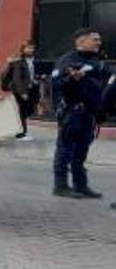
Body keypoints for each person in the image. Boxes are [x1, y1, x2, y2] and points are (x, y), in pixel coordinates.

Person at [50, 28, 110, 199]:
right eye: (95, 39)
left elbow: (105, 85)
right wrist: (70, 79)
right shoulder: (66, 61)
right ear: (81, 41)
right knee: (65, 149)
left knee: (82, 151)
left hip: (90, 113)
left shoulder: (98, 62)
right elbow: (56, 85)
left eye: (99, 40)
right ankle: (60, 186)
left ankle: (80, 185)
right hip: (72, 112)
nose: (99, 42)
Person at [0, 40, 41, 138]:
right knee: (22, 110)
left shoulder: (35, 60)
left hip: (32, 88)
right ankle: (21, 133)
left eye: (32, 48)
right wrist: (22, 92)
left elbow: (34, 72)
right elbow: (17, 78)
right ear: (23, 49)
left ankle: (19, 128)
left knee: (29, 109)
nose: (31, 50)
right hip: (20, 88)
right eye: (28, 48)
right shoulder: (18, 60)